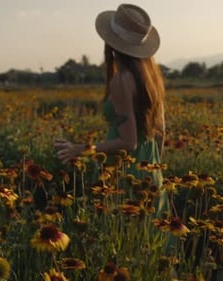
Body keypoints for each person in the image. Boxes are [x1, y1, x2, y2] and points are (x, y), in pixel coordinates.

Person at [55, 3, 167, 214]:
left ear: (111, 43)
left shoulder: (122, 81)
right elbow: (161, 131)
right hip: (150, 171)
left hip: (126, 172)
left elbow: (129, 142)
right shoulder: (151, 79)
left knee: (125, 239)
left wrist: (78, 149)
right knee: (154, 239)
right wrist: (153, 171)